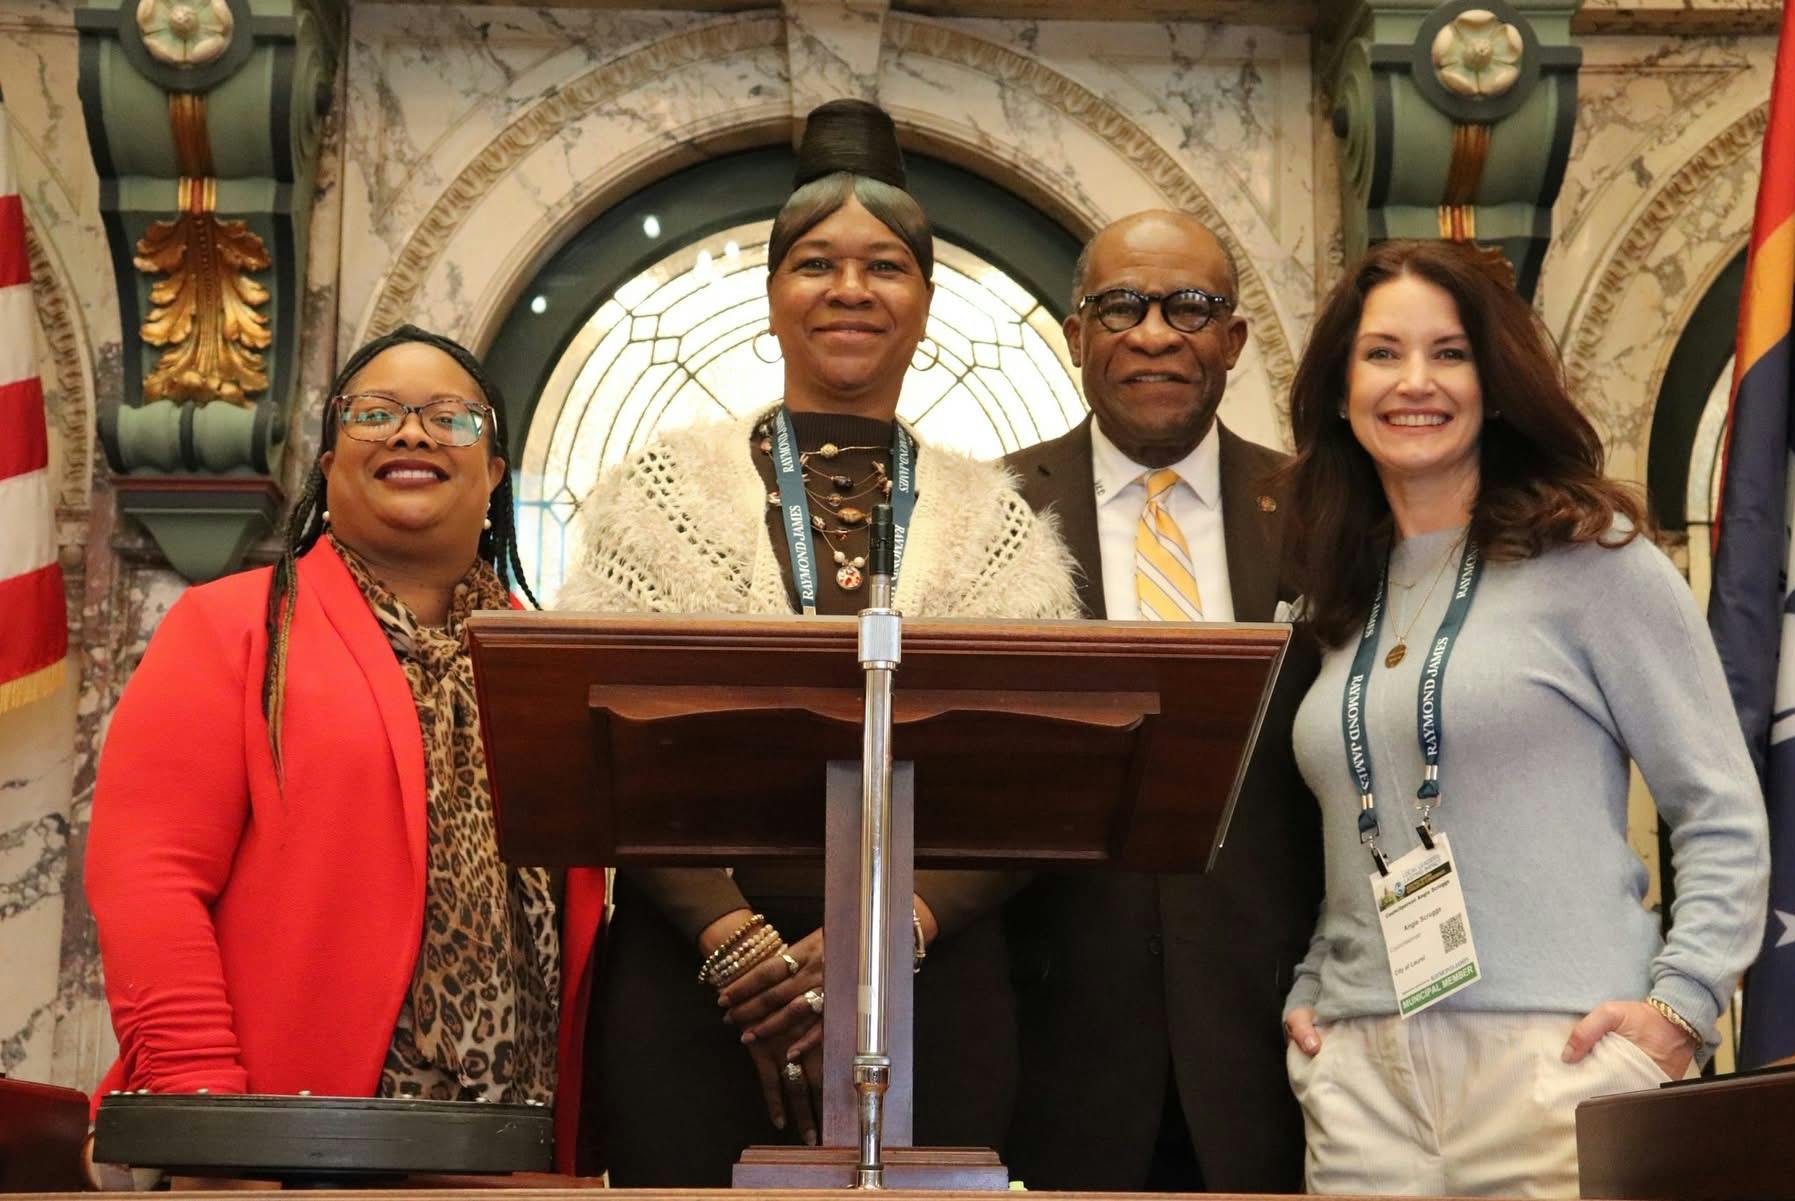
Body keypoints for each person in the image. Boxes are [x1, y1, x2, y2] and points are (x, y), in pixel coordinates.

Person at [557, 99, 1078, 1186]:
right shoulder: (658, 493)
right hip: (698, 961)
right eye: (815, 264)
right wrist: (736, 943)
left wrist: (899, 930)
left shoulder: (998, 520)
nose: (850, 288)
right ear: (771, 297)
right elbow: (599, 733)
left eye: (884, 266)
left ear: (925, 305)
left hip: (933, 968)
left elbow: (1043, 772)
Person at [1279, 240, 1770, 1198]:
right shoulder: (1334, 595)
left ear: (1495, 385)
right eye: (1382, 353)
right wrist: (1314, 987)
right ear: (1340, 390)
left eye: (1450, 353)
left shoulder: (1596, 559)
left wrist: (1682, 1008)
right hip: (1361, 1082)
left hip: (1562, 1062)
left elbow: (1720, 809)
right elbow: (1354, 832)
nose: (1414, 382)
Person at [85, 327, 607, 1172]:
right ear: (328, 466)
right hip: (279, 1152)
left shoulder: (549, 665)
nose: (412, 433)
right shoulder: (231, 627)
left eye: (451, 418)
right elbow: (149, 881)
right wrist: (204, 1117)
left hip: (513, 1155)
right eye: (375, 414)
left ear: (495, 473)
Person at [1000, 210, 1322, 1192]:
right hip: (1053, 1041)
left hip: (1277, 1038)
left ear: (1233, 338)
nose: (1153, 335)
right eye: (1120, 307)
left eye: (1189, 307)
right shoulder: (994, 512)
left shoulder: (1319, 511)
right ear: (1075, 336)